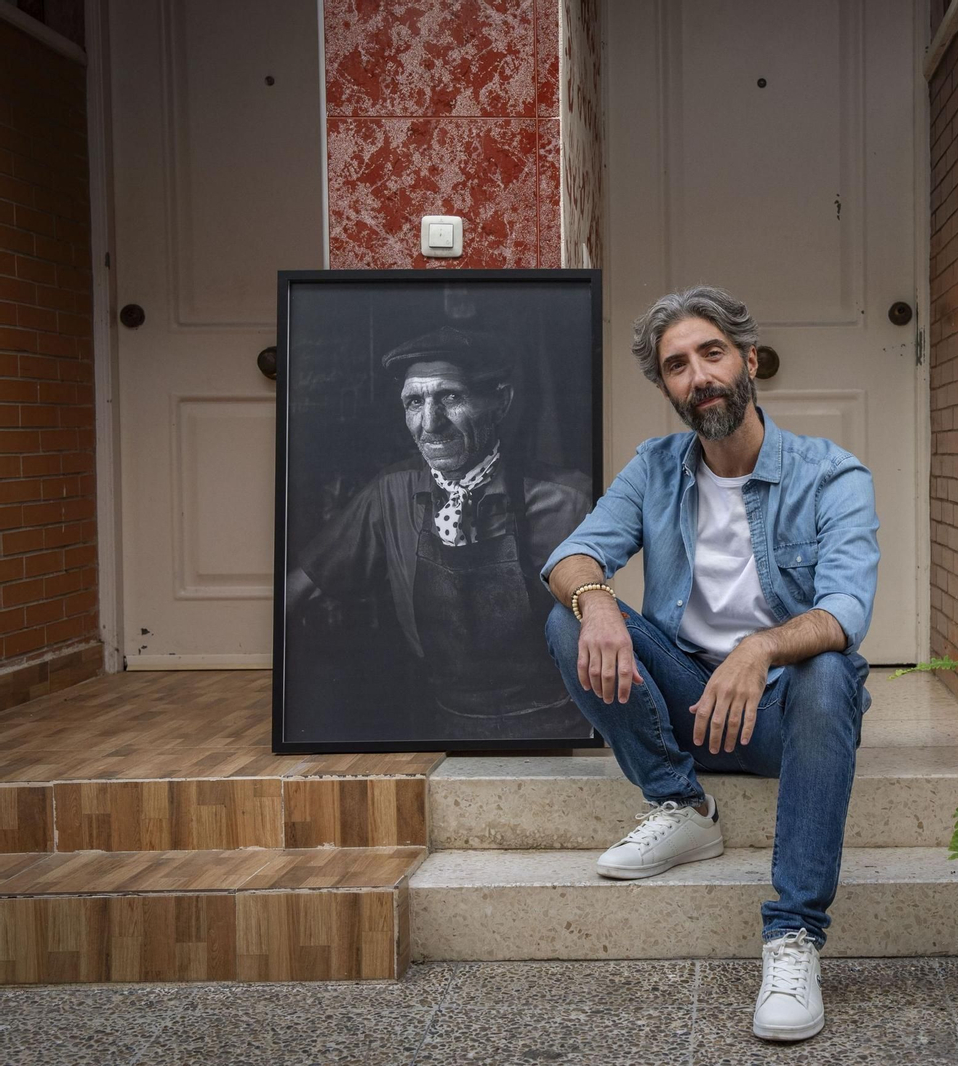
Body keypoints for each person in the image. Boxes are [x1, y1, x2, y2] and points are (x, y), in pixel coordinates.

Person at [542, 286, 880, 1043]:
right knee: (571, 619)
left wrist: (759, 649)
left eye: (712, 353)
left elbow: (845, 612)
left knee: (829, 670)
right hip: (692, 700)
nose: (698, 376)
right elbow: (572, 555)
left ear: (749, 362)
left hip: (785, 713)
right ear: (666, 387)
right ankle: (683, 804)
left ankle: (794, 937)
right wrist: (597, 601)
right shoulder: (656, 468)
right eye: (676, 366)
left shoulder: (832, 475)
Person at [285, 325, 591, 740]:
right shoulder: (390, 493)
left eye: (451, 397)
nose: (431, 424)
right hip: (445, 727)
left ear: (500, 401)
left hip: (563, 724)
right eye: (414, 402)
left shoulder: (570, 499)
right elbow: (296, 591)